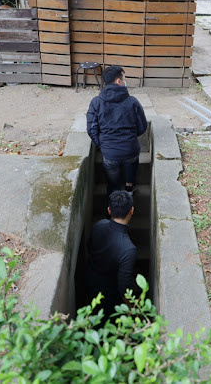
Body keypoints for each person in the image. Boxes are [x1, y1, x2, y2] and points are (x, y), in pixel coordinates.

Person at [87, 66, 148, 196]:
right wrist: (130, 137)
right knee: (133, 157)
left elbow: (91, 129)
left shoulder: (96, 102)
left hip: (110, 153)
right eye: (124, 78)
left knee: (113, 185)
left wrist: (102, 144)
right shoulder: (133, 102)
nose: (125, 81)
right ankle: (129, 187)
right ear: (118, 81)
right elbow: (142, 126)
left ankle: (113, 204)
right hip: (130, 149)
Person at [86, 191, 137, 318]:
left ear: (109, 210)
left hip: (90, 285)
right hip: (111, 298)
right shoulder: (128, 249)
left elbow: (89, 246)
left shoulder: (98, 225)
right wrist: (133, 310)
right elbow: (124, 287)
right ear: (131, 210)